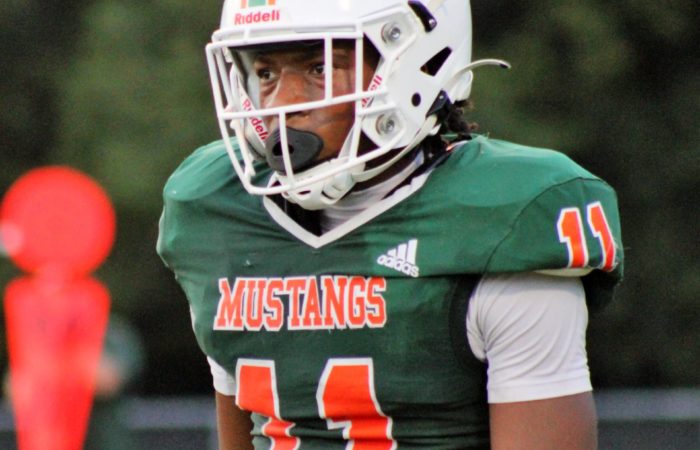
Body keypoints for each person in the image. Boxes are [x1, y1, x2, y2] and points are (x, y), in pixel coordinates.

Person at [158, 1, 624, 449]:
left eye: (320, 68)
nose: (283, 103)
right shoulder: (220, 209)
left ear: (414, 61)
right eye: (266, 73)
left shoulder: (504, 217)